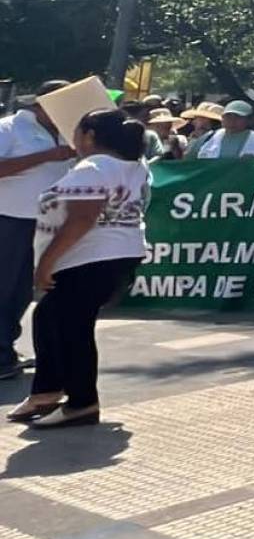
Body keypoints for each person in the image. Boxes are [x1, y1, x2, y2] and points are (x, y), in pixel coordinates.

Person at [9, 110, 150, 427]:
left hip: (92, 258)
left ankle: (82, 402)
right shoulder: (133, 166)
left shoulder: (95, 166)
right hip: (115, 254)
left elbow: (83, 218)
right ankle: (46, 392)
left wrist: (44, 264)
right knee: (49, 317)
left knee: (72, 328)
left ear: (88, 135)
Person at [0, 81, 77, 379]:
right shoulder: (10, 128)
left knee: (22, 291)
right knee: (4, 288)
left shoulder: (64, 131)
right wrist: (47, 156)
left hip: (45, 224)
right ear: (42, 103)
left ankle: (6, 346)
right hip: (10, 219)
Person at [190, 101, 254, 159]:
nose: (232, 120)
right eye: (228, 116)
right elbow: (190, 162)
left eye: (238, 117)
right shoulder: (207, 138)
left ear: (249, 120)